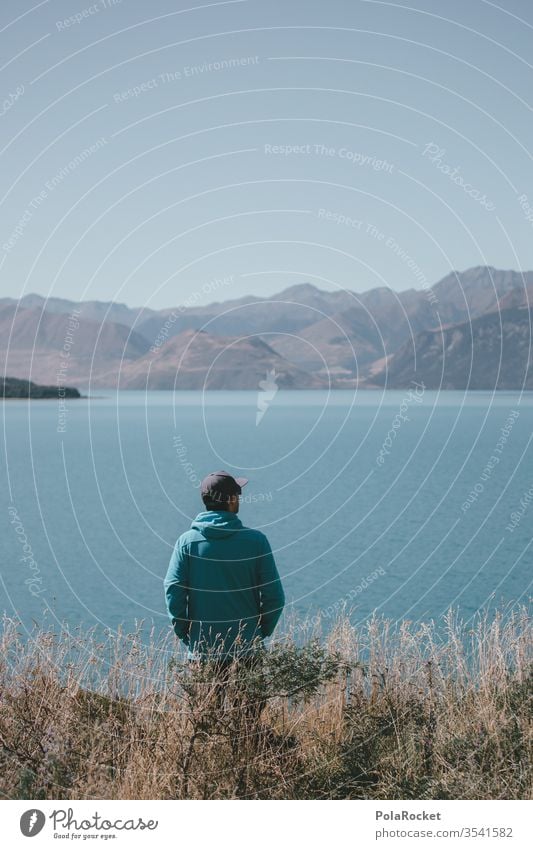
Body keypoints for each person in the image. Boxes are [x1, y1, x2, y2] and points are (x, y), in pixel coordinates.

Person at [164, 470, 285, 668]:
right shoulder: (256, 542)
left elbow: (173, 590)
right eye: (238, 494)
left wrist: (188, 635)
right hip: (247, 651)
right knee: (249, 701)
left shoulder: (186, 543)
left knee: (206, 700)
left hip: (203, 651)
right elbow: (275, 597)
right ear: (230, 500)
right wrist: (258, 633)